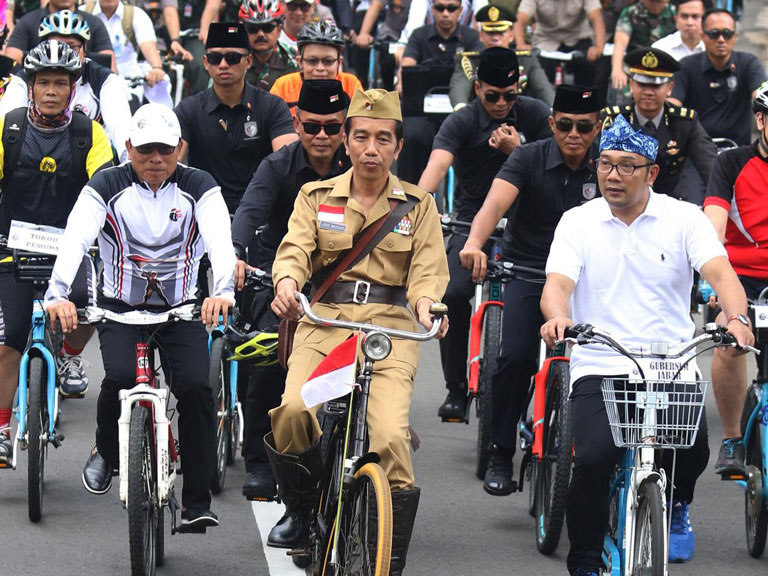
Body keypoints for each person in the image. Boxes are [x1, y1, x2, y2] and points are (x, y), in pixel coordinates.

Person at [540, 114, 754, 572]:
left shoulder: (684, 218)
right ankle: (583, 558)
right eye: (605, 165)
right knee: (594, 458)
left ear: (652, 172)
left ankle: (674, 506)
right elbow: (557, 285)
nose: (612, 176)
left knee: (692, 452)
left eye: (627, 166)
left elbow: (722, 275)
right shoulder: (577, 222)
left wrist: (736, 318)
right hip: (601, 360)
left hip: (670, 363)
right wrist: (559, 318)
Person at [266, 88, 449, 575]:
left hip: (390, 331)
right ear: (345, 141)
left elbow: (428, 272)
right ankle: (301, 511)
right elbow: (294, 251)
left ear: (398, 147)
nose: (371, 148)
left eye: (382, 138)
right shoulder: (316, 196)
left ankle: (387, 557)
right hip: (326, 321)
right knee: (292, 411)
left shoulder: (418, 206)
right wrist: (287, 285)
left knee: (390, 437)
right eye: (362, 136)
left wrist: (429, 307)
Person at [44, 103, 236, 530]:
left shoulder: (199, 186)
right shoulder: (106, 184)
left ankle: (197, 502)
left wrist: (221, 291)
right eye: (145, 149)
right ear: (127, 147)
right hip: (120, 309)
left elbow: (220, 239)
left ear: (180, 149)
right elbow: (76, 238)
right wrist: (57, 294)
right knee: (119, 380)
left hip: (181, 309)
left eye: (165, 150)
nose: (155, 159)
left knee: (196, 389)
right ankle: (107, 453)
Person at [459, 84, 601, 495]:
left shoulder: (606, 165)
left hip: (586, 278)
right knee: (516, 356)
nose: (574, 134)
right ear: (552, 123)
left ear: (597, 128)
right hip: (529, 269)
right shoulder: (527, 156)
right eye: (566, 125)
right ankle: (502, 450)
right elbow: (494, 206)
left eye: (585, 127)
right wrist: (473, 243)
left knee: (606, 364)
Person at [230, 79, 351, 500]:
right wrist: (234, 254)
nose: (322, 136)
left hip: (342, 285)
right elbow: (248, 214)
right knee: (266, 356)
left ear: (345, 128)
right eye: (312, 126)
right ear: (296, 123)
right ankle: (260, 462)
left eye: (333, 128)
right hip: (276, 277)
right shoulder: (276, 166)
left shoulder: (361, 170)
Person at [419, 47, 552, 420]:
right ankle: (456, 390)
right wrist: (415, 207)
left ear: (519, 88)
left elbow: (556, 163)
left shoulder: (536, 114)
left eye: (509, 96)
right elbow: (436, 168)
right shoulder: (460, 122)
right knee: (453, 293)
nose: (501, 103)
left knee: (540, 297)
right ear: (477, 88)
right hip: (471, 219)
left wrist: (518, 150)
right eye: (492, 95)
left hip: (527, 222)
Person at [0, 40, 114, 464]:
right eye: (43, 82)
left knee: (90, 311)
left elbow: (105, 187)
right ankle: (1, 427)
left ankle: (66, 357)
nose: (51, 90)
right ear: (30, 87)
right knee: (9, 339)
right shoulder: (10, 128)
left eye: (60, 83)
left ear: (73, 89)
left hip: (68, 249)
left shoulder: (89, 133)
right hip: (11, 247)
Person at [702, 81, 768, 475]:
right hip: (738, 278)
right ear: (761, 120)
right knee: (729, 341)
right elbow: (713, 226)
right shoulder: (731, 163)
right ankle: (731, 440)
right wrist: (712, 283)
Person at [174, 22, 297, 216]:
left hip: (261, 212)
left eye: (232, 58)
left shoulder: (272, 107)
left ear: (248, 61)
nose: (223, 65)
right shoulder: (189, 109)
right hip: (204, 212)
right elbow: (171, 162)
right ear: (205, 62)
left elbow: (288, 164)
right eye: (215, 58)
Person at [0, 10, 133, 162]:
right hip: (33, 159)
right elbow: (3, 122)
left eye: (72, 47)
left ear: (84, 48)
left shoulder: (104, 79)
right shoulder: (25, 78)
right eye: (56, 45)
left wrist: (127, 166)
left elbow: (122, 130)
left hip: (90, 160)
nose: (63, 52)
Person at [601, 47, 716, 203]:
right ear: (631, 85)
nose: (648, 92)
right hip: (622, 202)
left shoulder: (684, 122)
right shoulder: (615, 119)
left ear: (670, 88)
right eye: (642, 85)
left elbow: (710, 167)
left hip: (671, 203)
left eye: (655, 86)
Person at [397, 0, 483, 184]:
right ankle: (406, 190)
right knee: (410, 135)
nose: (446, 13)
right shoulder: (419, 35)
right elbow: (407, 67)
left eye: (451, 8)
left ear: (460, 11)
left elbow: (479, 71)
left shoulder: (472, 37)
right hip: (422, 112)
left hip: (461, 110)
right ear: (432, 10)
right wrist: (402, 82)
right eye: (440, 8)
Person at [670, 8, 767, 146]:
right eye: (714, 34)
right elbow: (673, 106)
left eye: (727, 34)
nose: (721, 39)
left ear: (735, 36)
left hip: (738, 150)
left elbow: (761, 98)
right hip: (695, 149)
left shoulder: (749, 63)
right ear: (703, 36)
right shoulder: (686, 66)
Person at [449, 3, 554, 109]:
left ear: (511, 35)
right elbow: (459, 88)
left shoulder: (525, 60)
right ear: (481, 36)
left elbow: (543, 89)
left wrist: (552, 111)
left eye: (500, 33)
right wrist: (461, 109)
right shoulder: (469, 60)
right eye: (490, 33)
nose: (495, 38)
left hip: (519, 118)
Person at [87, 0, 173, 109]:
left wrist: (156, 67)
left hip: (129, 86)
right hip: (91, 85)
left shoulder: (136, 15)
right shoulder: (84, 13)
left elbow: (147, 44)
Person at [270, 19, 362, 116]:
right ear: (300, 62)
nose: (320, 68)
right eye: (312, 61)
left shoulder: (351, 84)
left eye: (328, 61)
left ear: (339, 63)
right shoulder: (283, 86)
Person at [513, 0, 606, 86]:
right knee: (539, 72)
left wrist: (598, 46)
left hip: (578, 36)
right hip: (546, 39)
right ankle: (544, 102)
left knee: (588, 68)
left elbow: (597, 18)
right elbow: (519, 20)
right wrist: (521, 44)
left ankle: (585, 101)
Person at [4, 0, 114, 68]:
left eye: (72, 46)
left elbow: (109, 63)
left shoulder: (94, 22)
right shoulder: (28, 21)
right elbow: (11, 58)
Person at [610, 0, 676, 92]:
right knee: (619, 81)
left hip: (666, 66)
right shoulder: (631, 12)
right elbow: (620, 42)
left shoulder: (675, 12)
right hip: (635, 65)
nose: (654, 4)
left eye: (658, 2)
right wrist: (617, 69)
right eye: (651, 1)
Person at [351, 0, 412, 90]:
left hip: (415, 36)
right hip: (391, 34)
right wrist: (364, 33)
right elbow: (376, 4)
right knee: (386, 60)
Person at [239, 0, 299, 91]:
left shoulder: (293, 59)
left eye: (268, 28)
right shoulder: (233, 59)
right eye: (253, 28)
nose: (260, 34)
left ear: (279, 30)